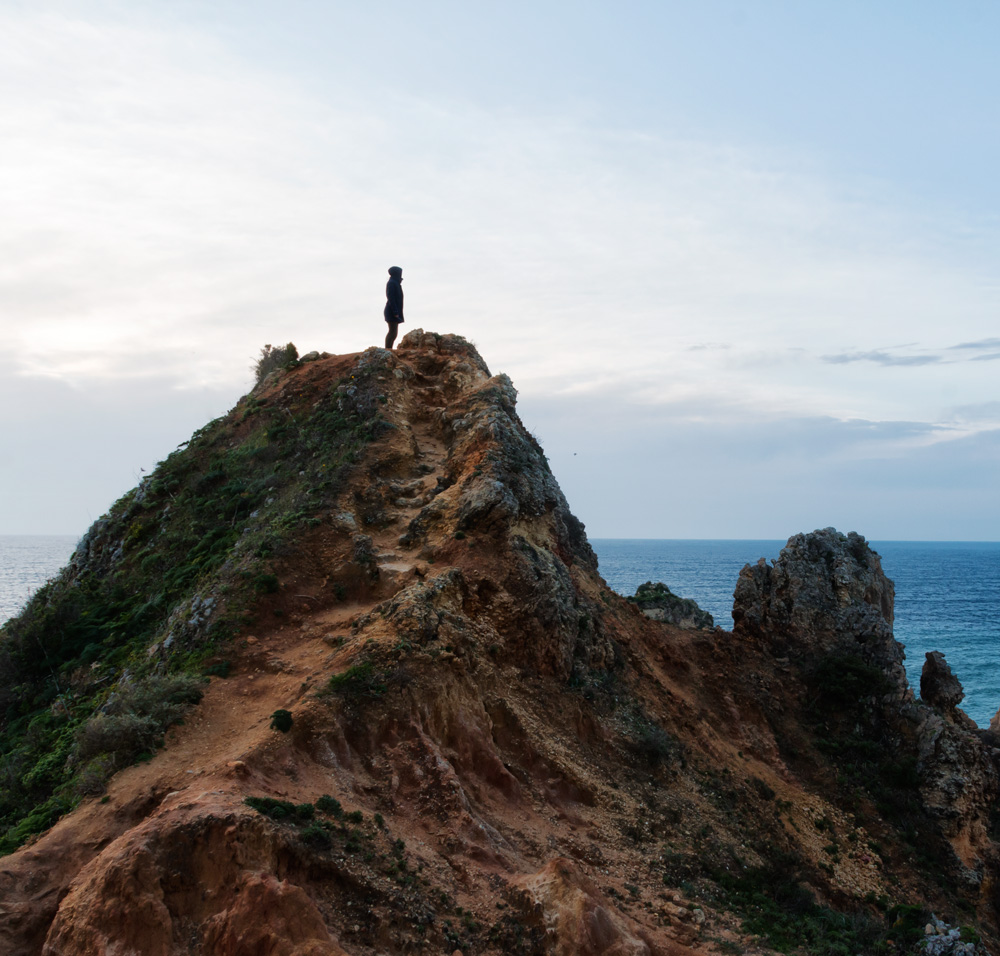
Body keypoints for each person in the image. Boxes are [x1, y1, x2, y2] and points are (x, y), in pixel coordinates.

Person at [384, 266, 404, 349]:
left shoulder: (395, 282)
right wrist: (395, 311)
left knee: (394, 332)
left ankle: (389, 349)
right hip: (391, 311)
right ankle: (388, 349)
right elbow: (391, 298)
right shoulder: (392, 283)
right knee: (392, 332)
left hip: (394, 311)